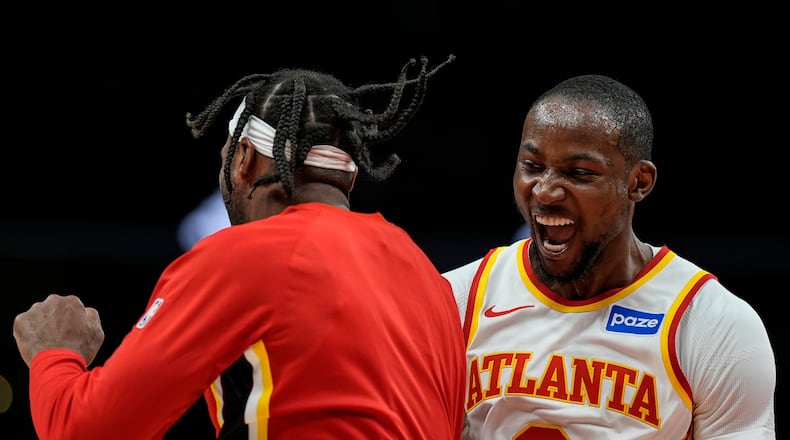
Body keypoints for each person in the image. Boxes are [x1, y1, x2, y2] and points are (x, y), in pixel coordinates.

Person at [13, 55, 467, 439]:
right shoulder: (431, 281)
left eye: (226, 156)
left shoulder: (243, 256)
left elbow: (84, 429)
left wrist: (55, 351)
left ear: (245, 159)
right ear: (348, 174)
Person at [443, 74, 776, 439]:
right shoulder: (457, 299)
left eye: (579, 173)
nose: (546, 191)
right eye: (533, 166)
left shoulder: (713, 323)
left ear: (638, 183)